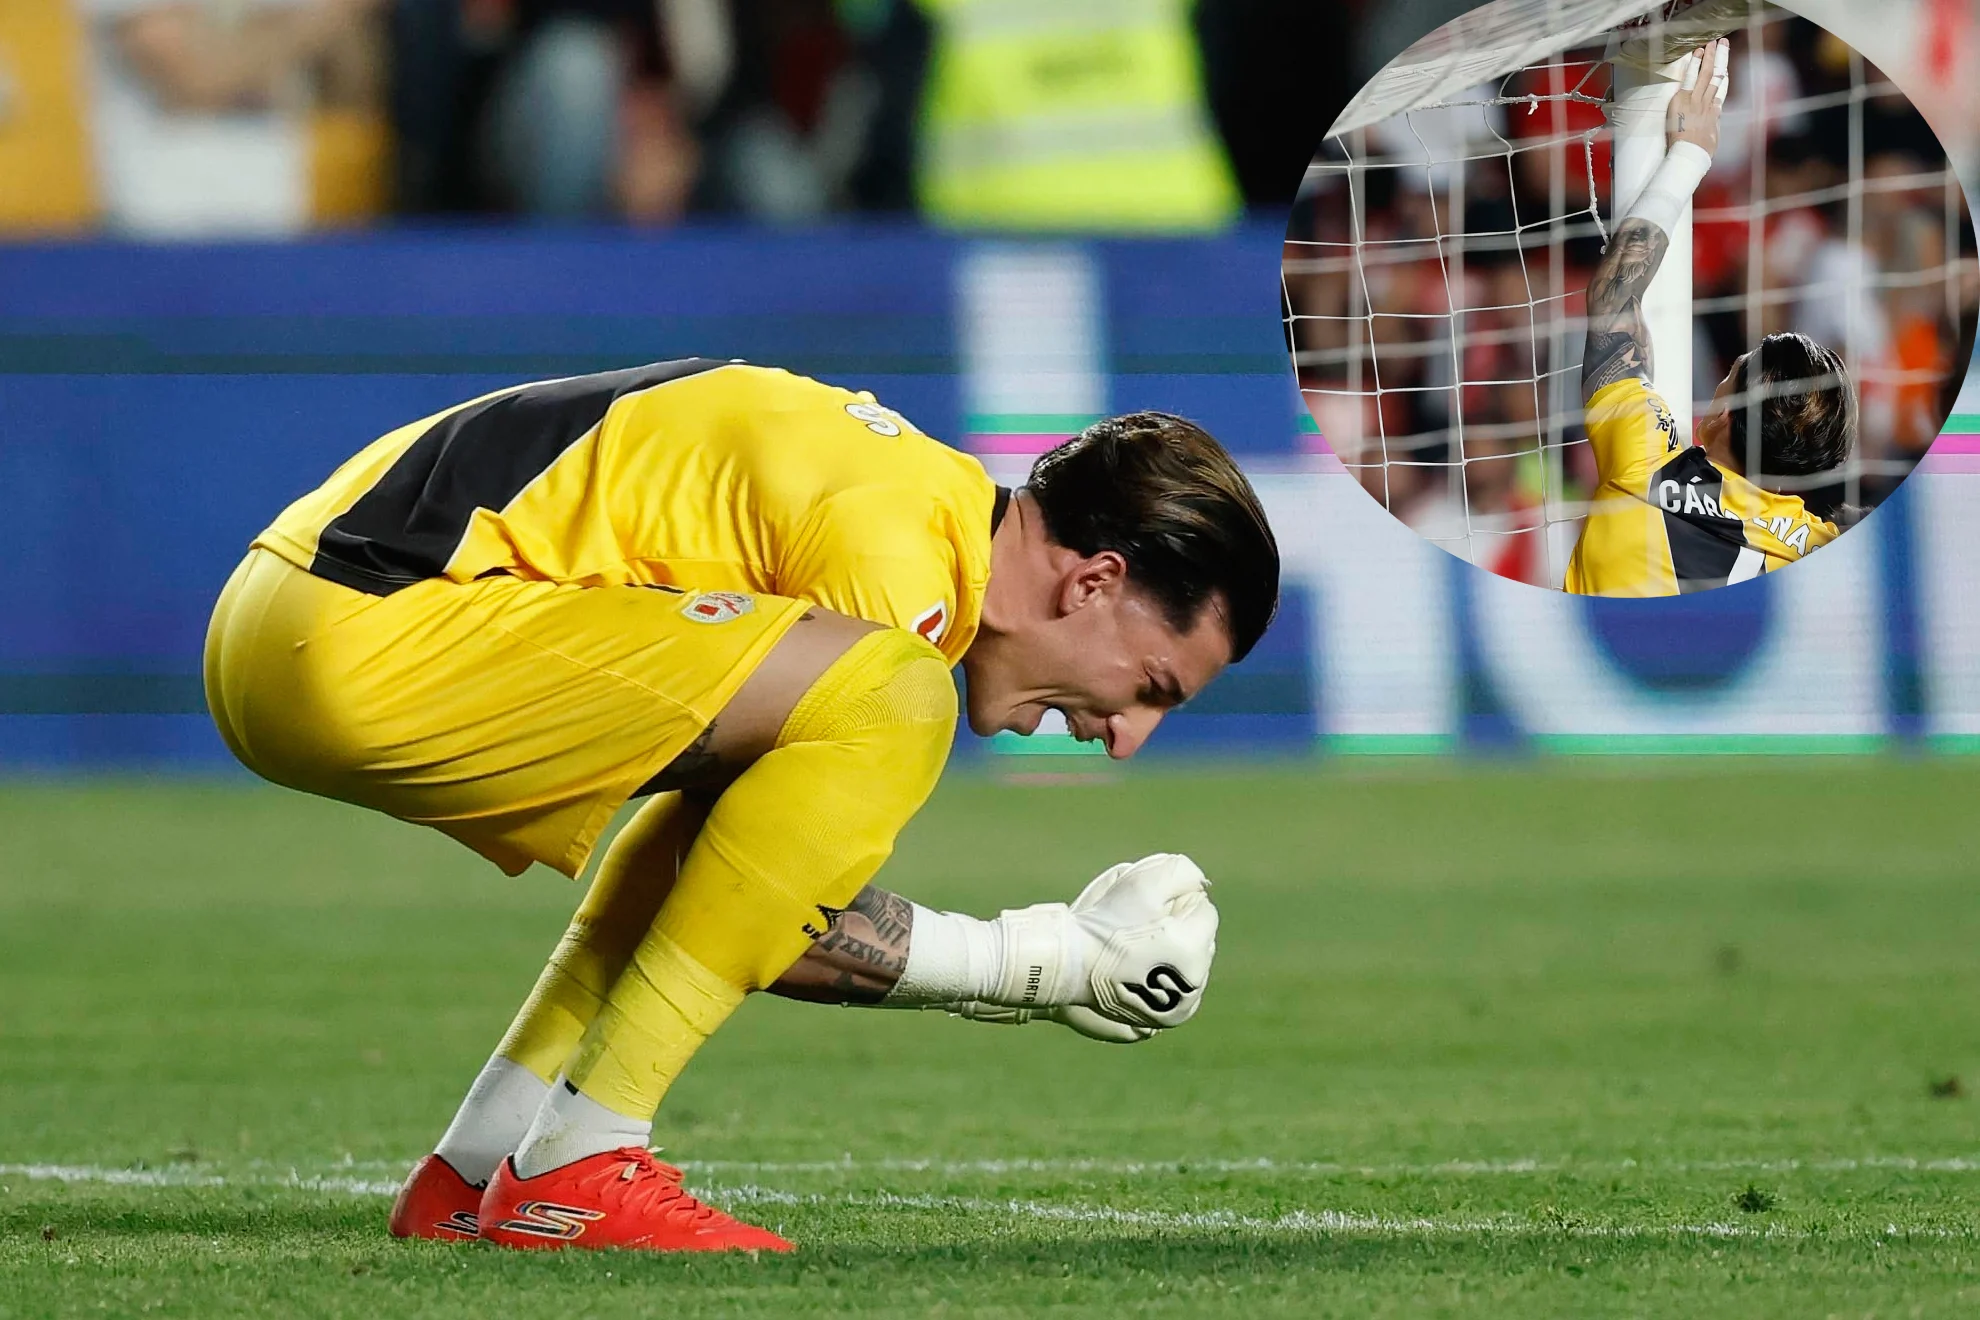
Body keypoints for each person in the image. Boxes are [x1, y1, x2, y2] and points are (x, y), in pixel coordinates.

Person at [203, 359, 1278, 1251]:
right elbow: (775, 915)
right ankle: (581, 1163)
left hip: (286, 617)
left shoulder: (908, 504)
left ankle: (481, 1165)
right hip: (360, 633)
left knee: (745, 797)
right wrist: (1051, 963)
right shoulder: (893, 554)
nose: (1127, 736)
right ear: (1092, 582)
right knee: (898, 699)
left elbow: (719, 869)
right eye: (1152, 687)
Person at [1566, 40, 1857, 597]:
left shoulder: (1643, 464)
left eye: (1730, 372)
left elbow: (1612, 298)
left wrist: (1691, 155)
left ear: (1722, 414)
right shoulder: (1822, 546)